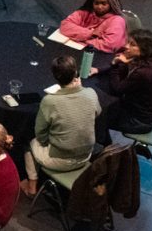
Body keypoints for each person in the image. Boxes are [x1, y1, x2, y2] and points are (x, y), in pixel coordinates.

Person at [21, 55, 101, 196]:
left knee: (29, 142)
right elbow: (97, 113)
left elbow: (40, 132)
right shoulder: (91, 93)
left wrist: (47, 142)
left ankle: (31, 185)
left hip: (60, 160)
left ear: (55, 77)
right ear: (76, 73)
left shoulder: (50, 100)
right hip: (85, 156)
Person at [97, 28, 152, 146]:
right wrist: (101, 69)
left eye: (132, 45)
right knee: (102, 110)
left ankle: (107, 150)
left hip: (139, 121)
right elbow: (123, 70)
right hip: (136, 110)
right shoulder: (148, 62)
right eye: (128, 42)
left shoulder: (144, 72)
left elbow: (117, 89)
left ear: (144, 49)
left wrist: (115, 65)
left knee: (97, 117)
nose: (126, 46)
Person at [59, 0, 127, 53]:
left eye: (104, 3)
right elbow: (65, 26)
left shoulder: (117, 20)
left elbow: (110, 45)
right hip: (81, 50)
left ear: (112, 4)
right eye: (96, 3)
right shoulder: (85, 12)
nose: (99, 7)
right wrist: (91, 33)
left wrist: (81, 39)